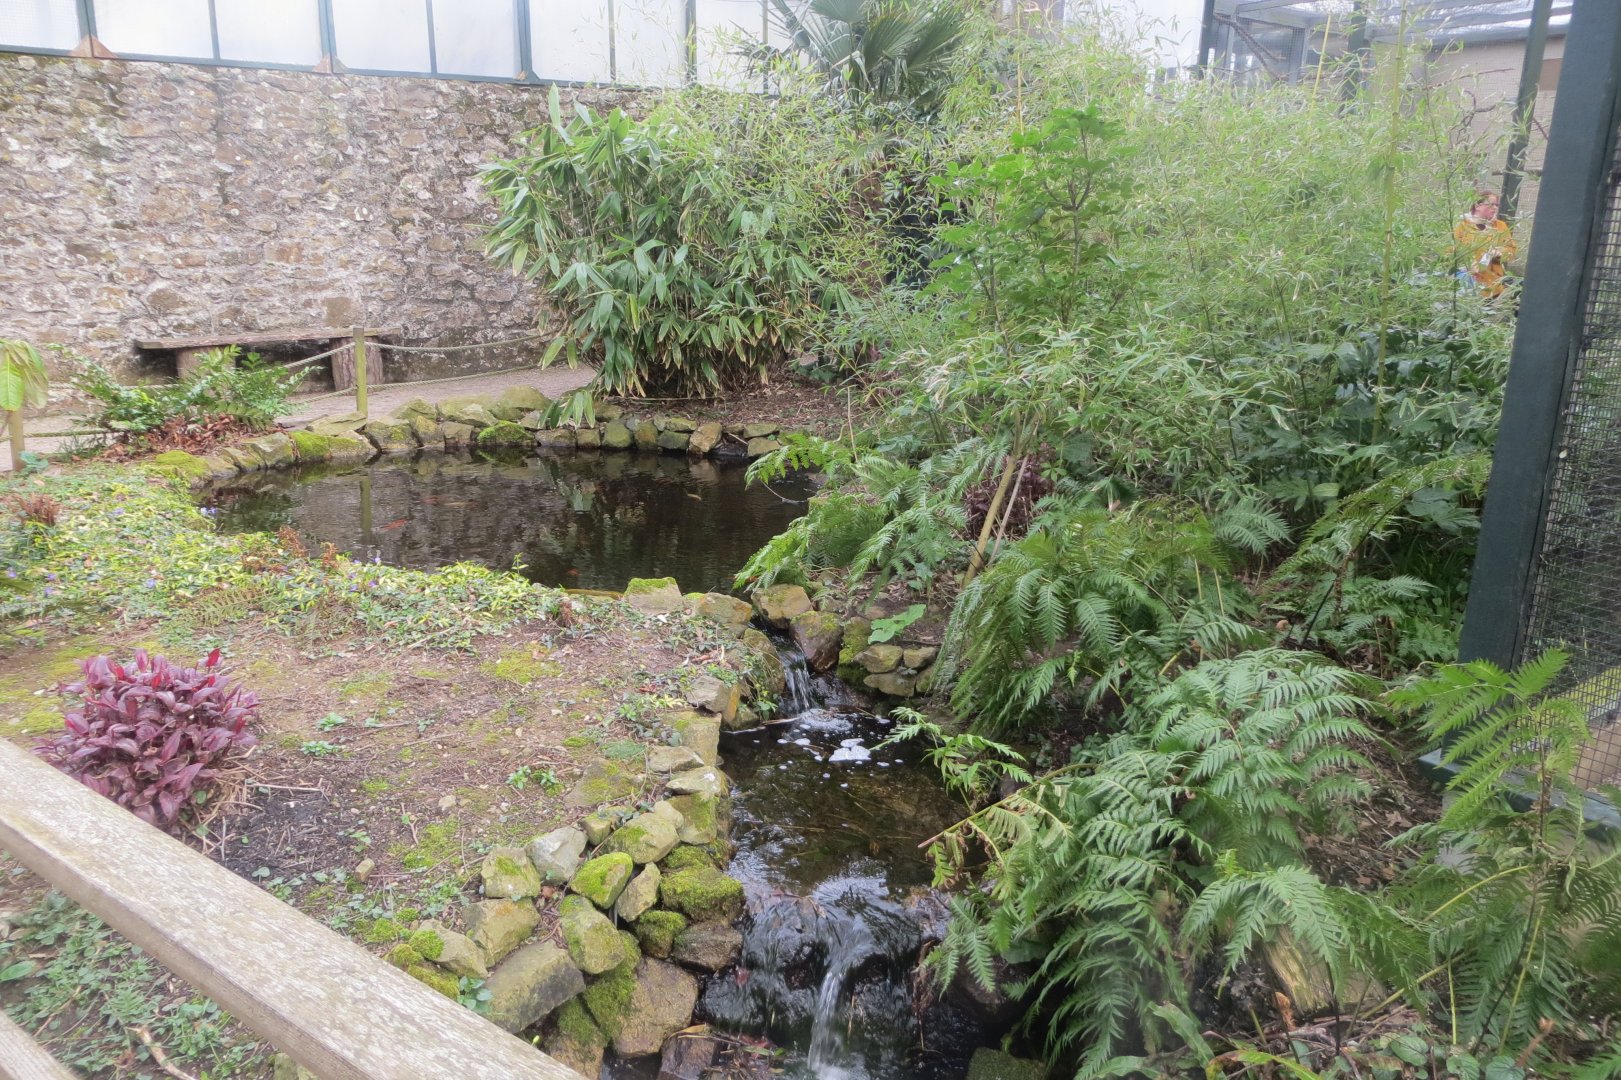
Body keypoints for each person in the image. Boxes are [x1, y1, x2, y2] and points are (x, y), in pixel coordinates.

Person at [1453, 190, 1517, 299]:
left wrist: (1500, 252)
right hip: (1466, 284)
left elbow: (1512, 249)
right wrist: (1468, 262)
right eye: (1491, 204)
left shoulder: (1500, 226)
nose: (1495, 208)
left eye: (1497, 205)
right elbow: (1450, 250)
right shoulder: (1462, 226)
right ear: (1477, 206)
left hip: (1492, 286)